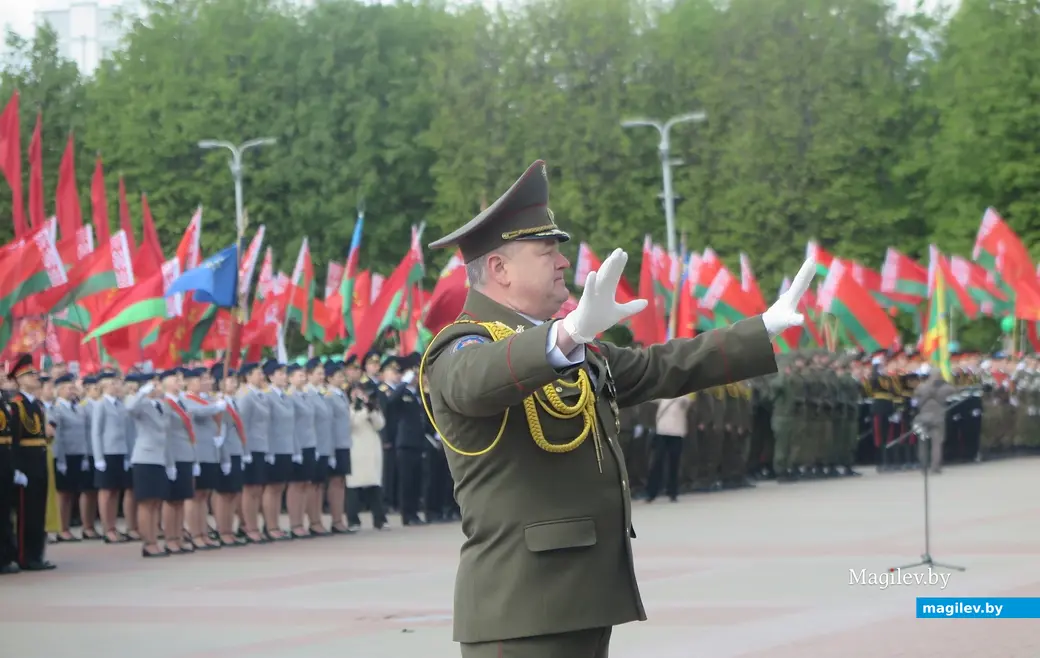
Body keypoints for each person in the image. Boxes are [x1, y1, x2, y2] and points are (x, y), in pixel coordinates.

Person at [419, 159, 814, 657]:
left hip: (581, 595)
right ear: (498, 268)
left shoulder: (567, 348)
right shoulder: (460, 347)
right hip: (519, 609)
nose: (563, 262)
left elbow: (660, 367)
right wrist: (567, 333)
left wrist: (761, 328)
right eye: (547, 251)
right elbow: (475, 383)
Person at [7, 354, 57, 570]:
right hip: (25, 463)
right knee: (26, 513)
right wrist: (16, 467)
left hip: (39, 461)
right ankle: (25, 556)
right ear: (19, 378)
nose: (35, 376)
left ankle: (36, 553)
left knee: (38, 511)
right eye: (29, 374)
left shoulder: (36, 404)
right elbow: (15, 441)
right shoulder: (16, 405)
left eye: (34, 373)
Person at [912, 365, 956, 473]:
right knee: (937, 443)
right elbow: (955, 390)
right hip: (938, 418)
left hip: (922, 417)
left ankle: (923, 466)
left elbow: (914, 402)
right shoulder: (946, 388)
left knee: (922, 442)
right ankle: (935, 467)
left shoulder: (921, 387)